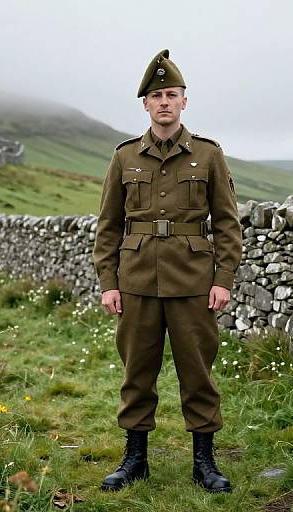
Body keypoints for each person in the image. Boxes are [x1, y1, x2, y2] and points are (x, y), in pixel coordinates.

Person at [93, 49, 243, 494]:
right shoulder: (124, 157)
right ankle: (134, 459)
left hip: (194, 283)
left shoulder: (209, 155)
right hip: (136, 281)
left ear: (184, 101)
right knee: (137, 372)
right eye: (156, 95)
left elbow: (227, 224)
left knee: (197, 373)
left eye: (171, 94)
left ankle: (205, 463)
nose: (164, 102)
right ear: (145, 104)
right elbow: (108, 226)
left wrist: (223, 279)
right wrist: (108, 283)